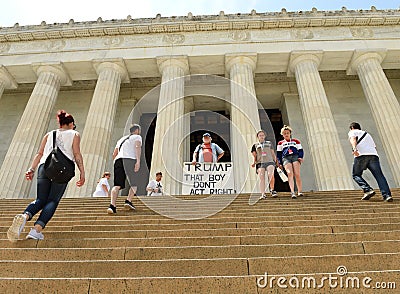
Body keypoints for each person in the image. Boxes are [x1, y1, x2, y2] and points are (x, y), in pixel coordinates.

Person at [7, 110, 85, 242]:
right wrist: (82, 172)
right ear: (71, 123)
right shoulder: (74, 134)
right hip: (62, 169)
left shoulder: (49, 134)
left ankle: (25, 216)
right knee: (53, 200)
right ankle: (36, 230)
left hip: (44, 167)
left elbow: (39, 153)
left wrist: (31, 169)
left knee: (40, 199)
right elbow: (77, 154)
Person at [348, 122, 393, 202]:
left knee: (356, 175)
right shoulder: (368, 135)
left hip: (361, 155)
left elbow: (353, 139)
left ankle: (368, 189)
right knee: (380, 176)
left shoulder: (353, 132)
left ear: (352, 128)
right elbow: (374, 146)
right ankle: (387, 195)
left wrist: (354, 149)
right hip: (373, 156)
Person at [108, 124, 142, 214]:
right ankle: (128, 200)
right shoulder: (137, 137)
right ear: (137, 130)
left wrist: (115, 163)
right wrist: (138, 161)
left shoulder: (121, 139)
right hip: (130, 160)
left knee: (117, 185)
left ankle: (112, 206)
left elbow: (114, 154)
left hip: (119, 160)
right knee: (135, 183)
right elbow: (137, 147)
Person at [277, 125, 304, 199]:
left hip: (295, 156)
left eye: (287, 133)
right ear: (282, 134)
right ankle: (292, 192)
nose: (286, 134)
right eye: (284, 133)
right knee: (289, 173)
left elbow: (300, 150)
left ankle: (299, 191)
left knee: (297, 174)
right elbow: (279, 153)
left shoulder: (296, 141)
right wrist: (279, 162)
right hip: (286, 158)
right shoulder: (280, 143)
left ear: (290, 133)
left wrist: (300, 157)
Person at [251, 130, 279, 200]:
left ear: (265, 136)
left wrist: (276, 161)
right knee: (261, 177)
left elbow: (272, 153)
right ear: (258, 137)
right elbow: (254, 155)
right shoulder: (255, 145)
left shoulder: (269, 143)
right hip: (260, 163)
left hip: (270, 161)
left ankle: (272, 190)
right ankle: (263, 194)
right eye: (260, 135)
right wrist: (254, 163)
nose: (261, 136)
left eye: (263, 135)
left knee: (271, 174)